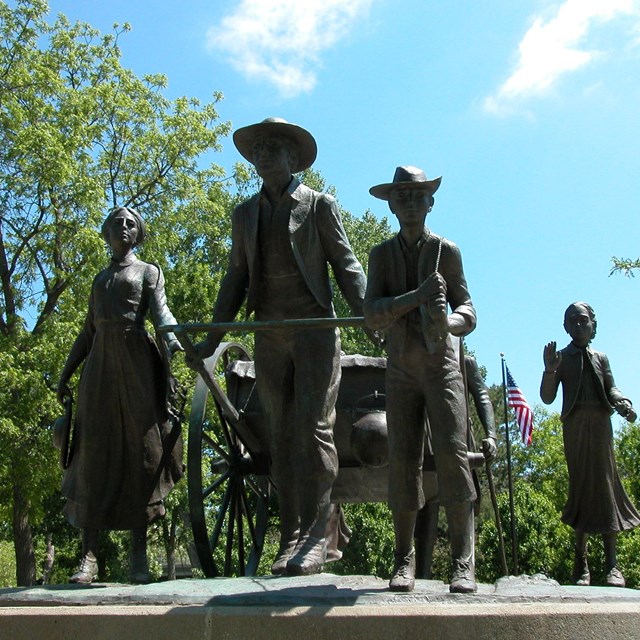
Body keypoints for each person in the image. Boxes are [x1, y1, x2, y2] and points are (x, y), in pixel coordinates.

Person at [188, 117, 369, 576]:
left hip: (314, 331)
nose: (263, 153)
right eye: (259, 148)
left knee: (312, 429)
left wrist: (374, 314)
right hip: (269, 333)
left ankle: (316, 534)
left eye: (273, 147)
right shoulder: (244, 213)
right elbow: (235, 278)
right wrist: (211, 337)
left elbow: (346, 267)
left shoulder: (318, 206)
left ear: (293, 157)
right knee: (281, 435)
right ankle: (291, 534)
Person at [364, 165, 478, 593]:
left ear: (430, 203)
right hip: (401, 371)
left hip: (442, 369)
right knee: (403, 462)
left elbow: (469, 308)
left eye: (419, 195)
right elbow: (371, 313)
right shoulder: (380, 256)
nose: (411, 203)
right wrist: (415, 298)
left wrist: (451, 322)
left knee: (453, 457)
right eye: (403, 196)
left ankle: (463, 561)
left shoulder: (447, 251)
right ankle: (404, 558)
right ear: (392, 205)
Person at [57, 207, 184, 584]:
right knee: (92, 455)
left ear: (138, 232)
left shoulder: (149, 271)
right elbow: (87, 331)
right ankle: (89, 557)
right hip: (98, 371)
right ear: (107, 232)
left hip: (136, 365)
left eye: (130, 222)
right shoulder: (99, 280)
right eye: (117, 222)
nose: (124, 227)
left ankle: (139, 557)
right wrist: (65, 374)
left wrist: (175, 342)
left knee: (142, 453)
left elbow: (162, 316)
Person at [541, 301, 640, 587]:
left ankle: (612, 565)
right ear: (565, 327)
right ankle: (580, 562)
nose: (578, 325)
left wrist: (623, 403)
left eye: (583, 320)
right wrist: (549, 371)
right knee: (581, 486)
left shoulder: (601, 357)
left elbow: (611, 387)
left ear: (593, 324)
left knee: (607, 487)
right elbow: (547, 397)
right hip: (575, 427)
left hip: (600, 426)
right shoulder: (562, 358)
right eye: (572, 321)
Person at [414, 353, 497, 579]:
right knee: (424, 508)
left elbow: (482, 396)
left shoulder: (464, 361)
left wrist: (491, 435)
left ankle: (464, 566)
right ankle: (421, 575)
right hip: (424, 438)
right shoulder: (416, 356)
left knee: (462, 498)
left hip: (457, 439)